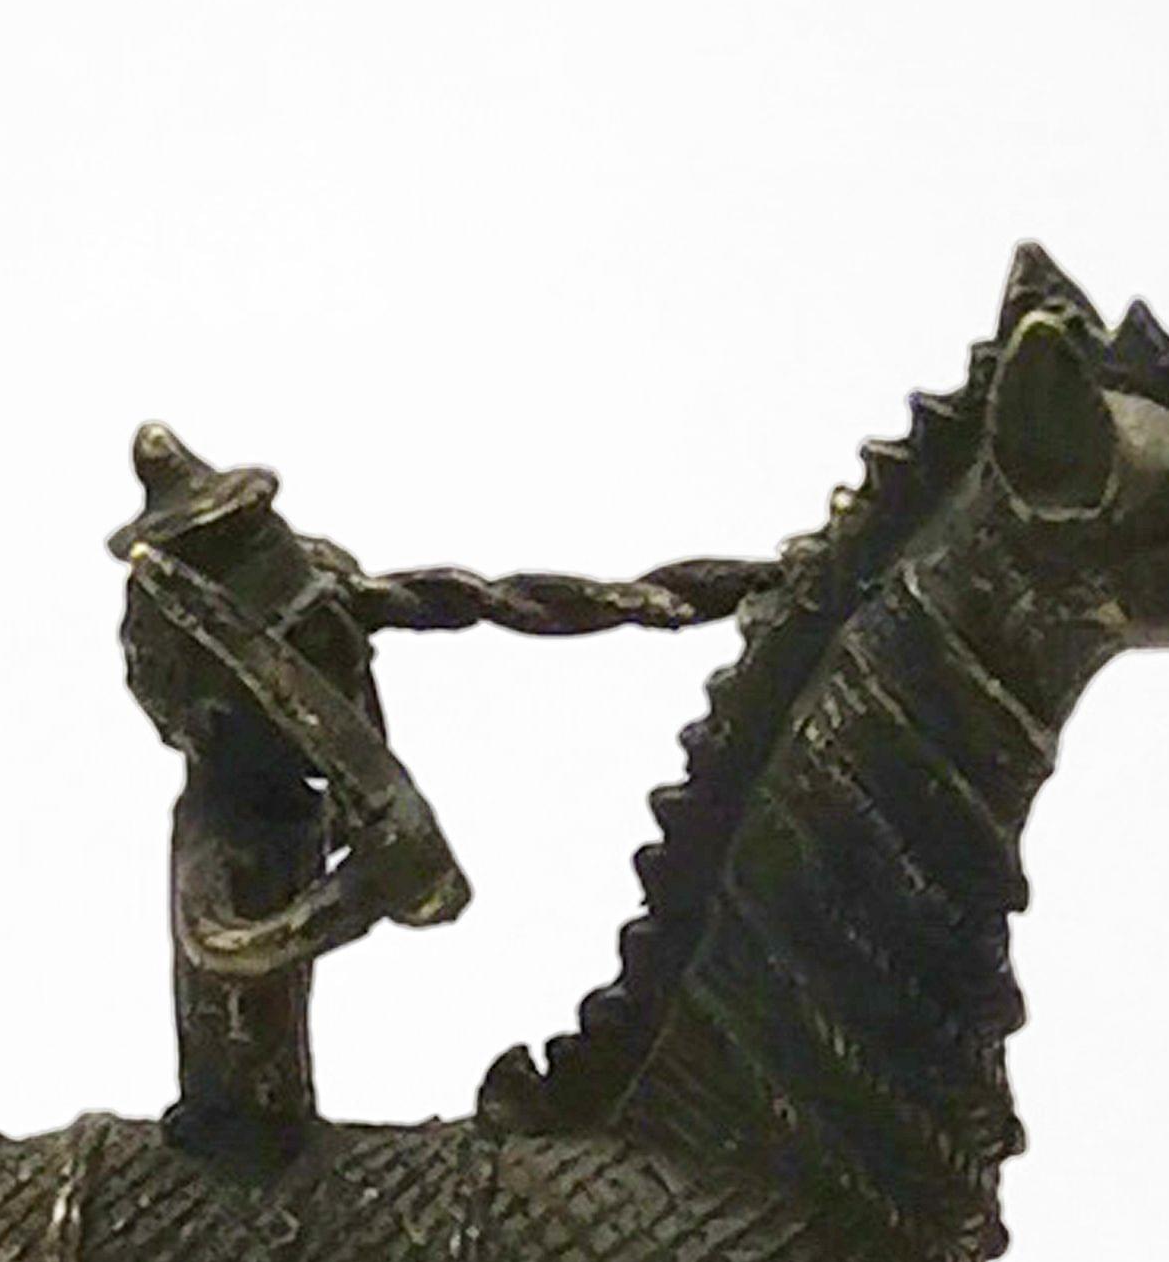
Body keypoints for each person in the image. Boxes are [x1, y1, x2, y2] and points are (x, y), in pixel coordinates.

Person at [109, 422, 761, 1168]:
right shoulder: (220, 826)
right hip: (244, 1126)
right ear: (208, 719)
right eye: (291, 677)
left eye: (336, 644)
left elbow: (500, 600)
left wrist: (687, 596)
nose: (338, 685)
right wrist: (364, 889)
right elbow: (225, 945)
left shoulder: (324, 643)